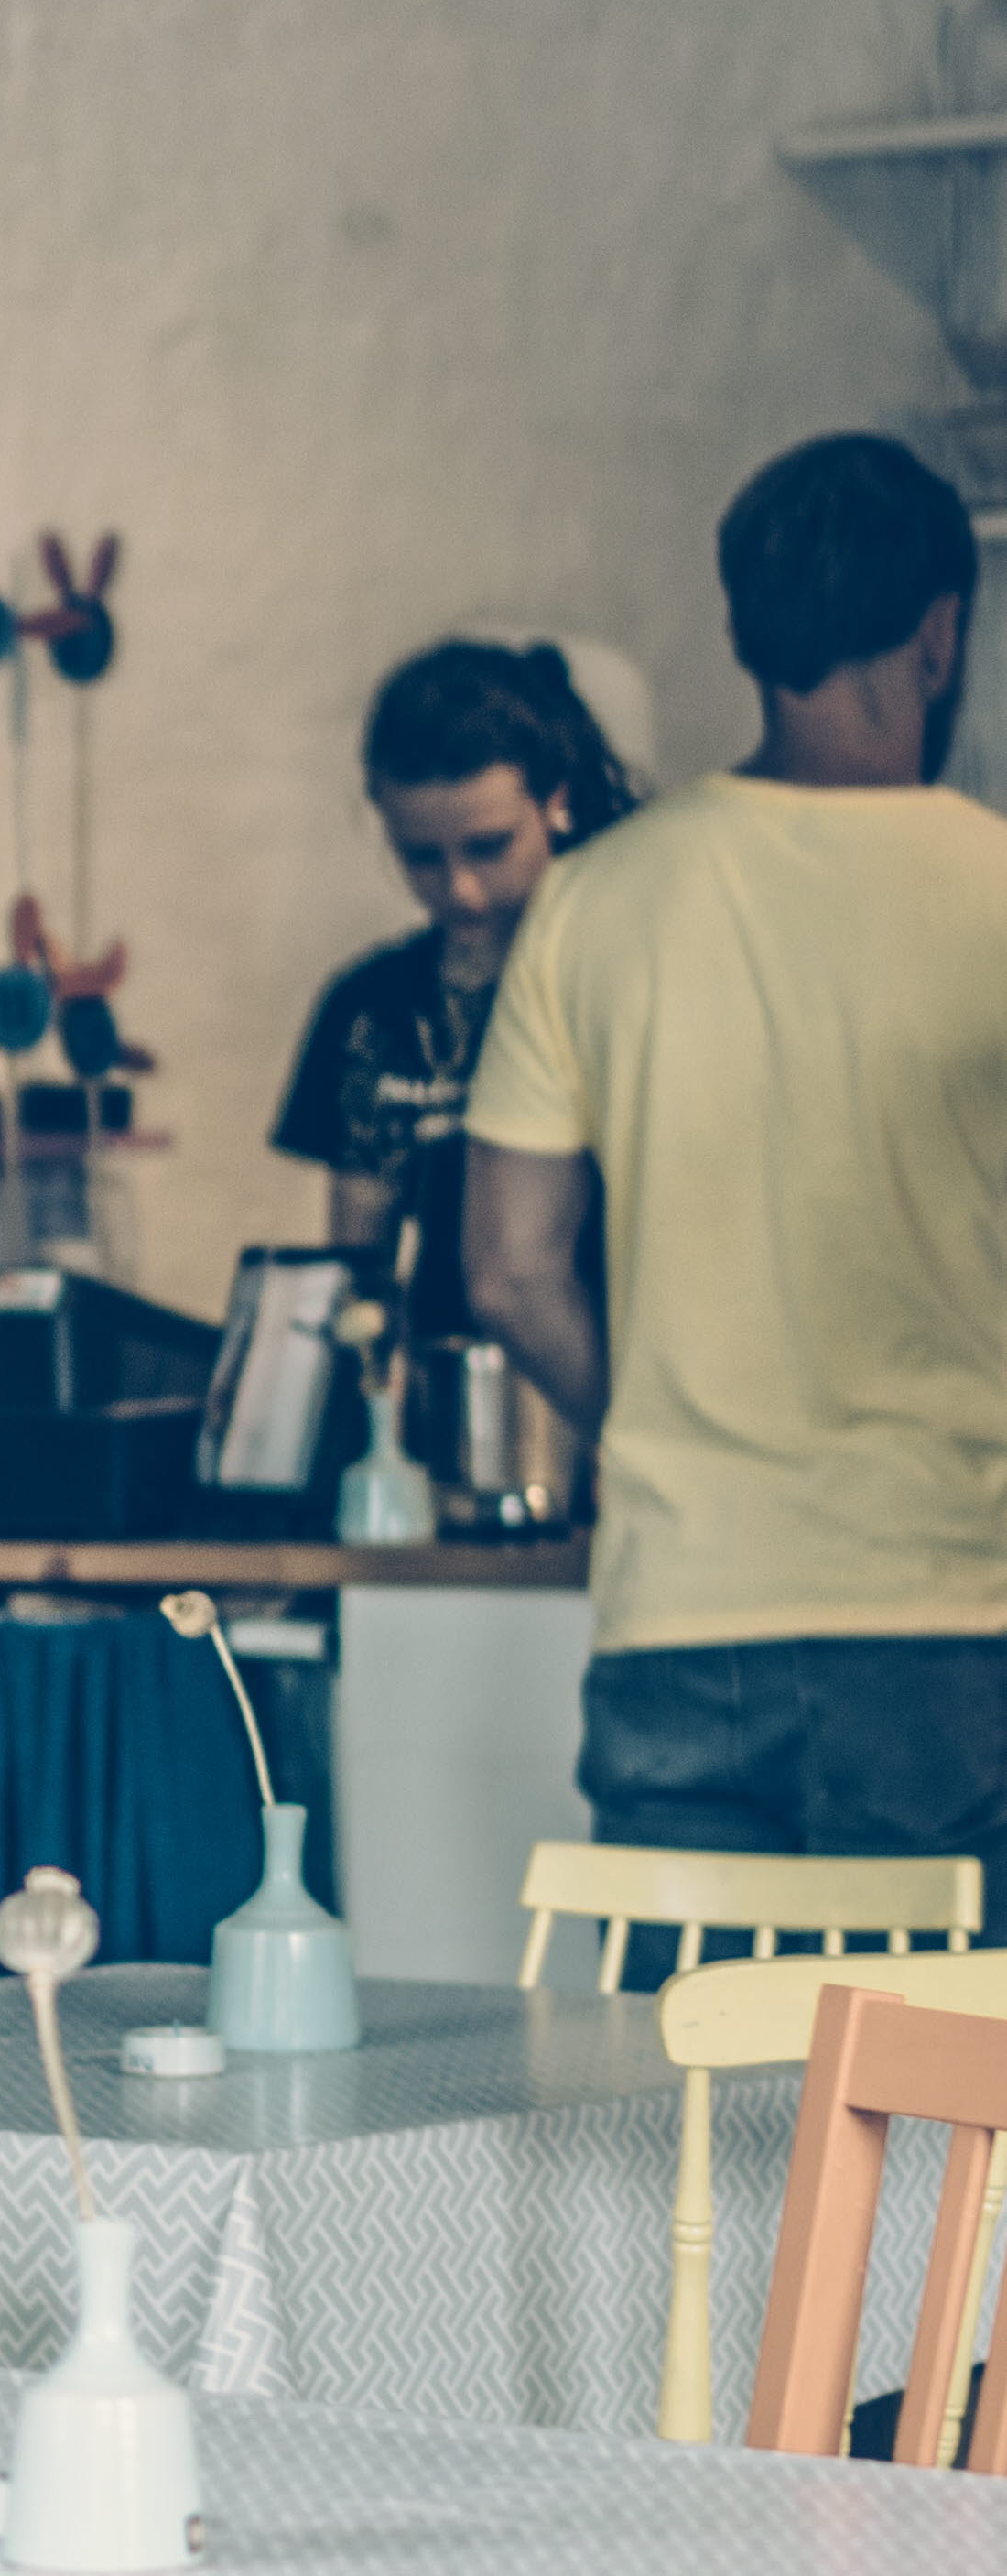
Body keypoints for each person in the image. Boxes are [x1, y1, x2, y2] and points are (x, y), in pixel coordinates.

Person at [464, 430, 1007, 1898]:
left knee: (679, 2097)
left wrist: (650, 1412)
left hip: (680, 1614)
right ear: (939, 631)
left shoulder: (592, 900)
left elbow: (508, 1272)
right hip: (950, 1615)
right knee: (940, 2112)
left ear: (742, 630)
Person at [270, 640, 638, 1338]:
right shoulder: (371, 1009)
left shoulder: (626, 973)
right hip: (454, 1388)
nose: (460, 888)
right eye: (421, 857)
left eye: (488, 846)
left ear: (553, 803)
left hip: (631, 1372)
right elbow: (359, 1269)